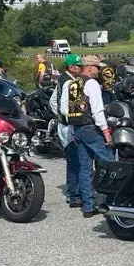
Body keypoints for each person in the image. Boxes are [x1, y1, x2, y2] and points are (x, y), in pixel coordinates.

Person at [60, 54, 115, 217]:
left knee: (85, 168)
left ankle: (88, 206)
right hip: (91, 128)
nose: (99, 71)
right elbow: (97, 111)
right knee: (111, 164)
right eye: (97, 67)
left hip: (77, 129)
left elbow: (66, 110)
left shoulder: (72, 83)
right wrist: (106, 133)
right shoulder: (91, 83)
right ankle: (112, 201)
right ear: (90, 67)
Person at [53, 54, 83, 208]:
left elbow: (53, 101)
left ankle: (75, 192)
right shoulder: (70, 82)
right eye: (79, 65)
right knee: (75, 161)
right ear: (72, 67)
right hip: (69, 126)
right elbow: (66, 108)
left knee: (73, 160)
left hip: (64, 124)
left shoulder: (62, 79)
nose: (81, 68)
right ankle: (74, 194)